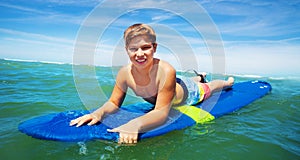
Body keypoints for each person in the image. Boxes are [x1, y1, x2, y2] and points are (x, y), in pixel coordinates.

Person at [70, 23, 234, 144]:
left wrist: (136, 124)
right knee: (185, 81)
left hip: (190, 94)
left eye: (145, 47)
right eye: (133, 49)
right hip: (175, 86)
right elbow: (113, 102)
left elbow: (161, 113)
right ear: (126, 49)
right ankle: (199, 75)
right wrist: (99, 113)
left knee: (208, 87)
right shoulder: (124, 74)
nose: (139, 54)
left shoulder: (166, 71)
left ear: (154, 48)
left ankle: (225, 81)